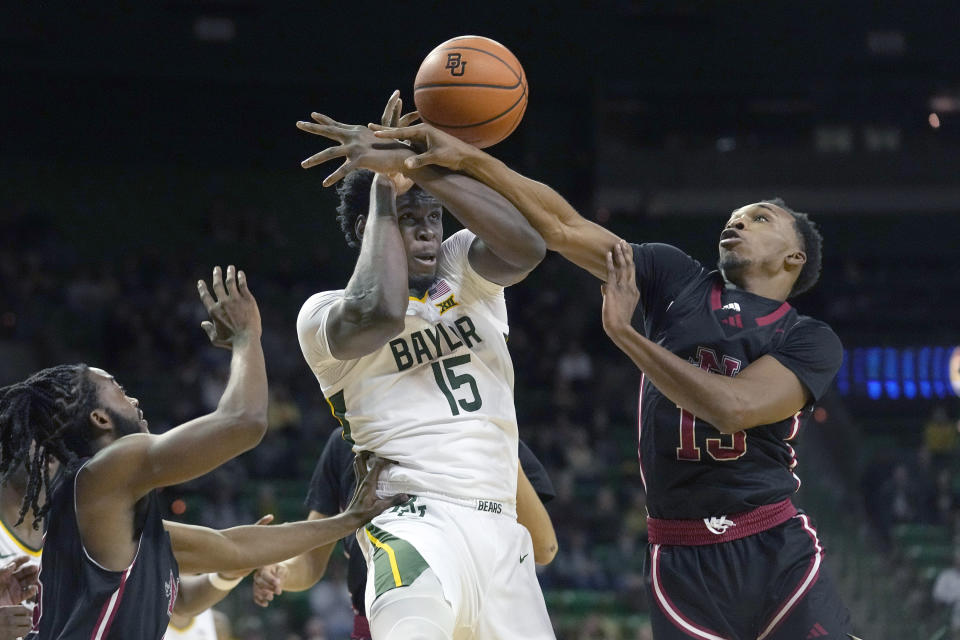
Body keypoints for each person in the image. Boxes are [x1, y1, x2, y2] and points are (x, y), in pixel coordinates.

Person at [332, 120, 857, 638]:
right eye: (736, 215)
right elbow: (561, 227)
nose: (738, 222)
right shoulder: (675, 278)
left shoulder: (809, 339)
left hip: (770, 540)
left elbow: (733, 407)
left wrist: (626, 336)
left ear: (795, 256)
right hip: (679, 556)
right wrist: (463, 157)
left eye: (760, 218)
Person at [0, 265, 401, 640]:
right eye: (120, 391)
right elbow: (243, 422)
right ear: (100, 419)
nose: (135, 398)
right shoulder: (105, 470)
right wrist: (247, 338)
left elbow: (235, 549)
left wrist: (349, 520)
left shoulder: (119, 517)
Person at [294, 91, 554, 640]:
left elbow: (529, 248)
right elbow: (381, 312)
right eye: (410, 218)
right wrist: (386, 191)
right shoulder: (320, 315)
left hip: (502, 532)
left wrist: (416, 170)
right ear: (369, 227)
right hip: (414, 522)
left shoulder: (464, 269)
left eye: (432, 215)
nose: (428, 229)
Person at [250, 428, 558, 640]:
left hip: (478, 619)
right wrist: (281, 571)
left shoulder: (479, 429)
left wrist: (501, 443)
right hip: (382, 624)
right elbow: (309, 564)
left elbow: (544, 548)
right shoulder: (346, 442)